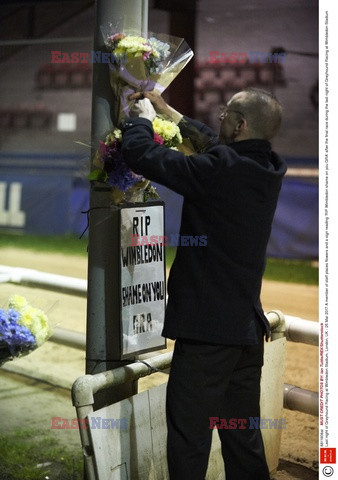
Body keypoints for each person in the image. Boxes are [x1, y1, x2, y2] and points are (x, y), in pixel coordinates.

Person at [121, 88, 287, 480]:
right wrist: (169, 112)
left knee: (188, 438)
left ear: (241, 125)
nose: (219, 117)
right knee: (241, 436)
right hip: (245, 331)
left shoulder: (220, 170)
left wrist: (141, 119)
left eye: (226, 112)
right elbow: (212, 142)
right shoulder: (268, 166)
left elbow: (144, 156)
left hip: (209, 334)